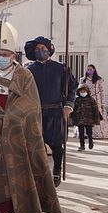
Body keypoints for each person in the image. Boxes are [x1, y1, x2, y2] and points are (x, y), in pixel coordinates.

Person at [0, 23, 60, 213]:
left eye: (5, 53)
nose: (1, 57)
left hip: (18, 134)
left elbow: (31, 105)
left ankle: (25, 207)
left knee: (21, 169)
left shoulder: (25, 76)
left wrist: (10, 119)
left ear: (13, 56)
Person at [24, 36, 78, 187]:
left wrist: (68, 105)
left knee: (56, 145)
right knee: (35, 145)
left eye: (43, 48)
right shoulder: (28, 70)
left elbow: (72, 87)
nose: (40, 51)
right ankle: (38, 174)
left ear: (49, 49)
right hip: (35, 113)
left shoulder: (61, 68)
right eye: (37, 49)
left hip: (55, 112)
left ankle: (56, 171)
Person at [84, 64, 108, 140]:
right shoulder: (83, 79)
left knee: (98, 116)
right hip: (87, 100)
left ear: (94, 70)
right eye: (88, 69)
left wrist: (102, 103)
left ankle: (101, 133)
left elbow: (102, 91)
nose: (89, 71)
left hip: (96, 100)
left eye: (90, 69)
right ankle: (86, 133)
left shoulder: (98, 79)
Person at [72, 85, 101, 151]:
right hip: (80, 120)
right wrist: (74, 120)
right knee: (81, 134)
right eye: (81, 91)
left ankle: (90, 142)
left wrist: (97, 120)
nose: (82, 92)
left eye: (84, 91)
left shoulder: (91, 100)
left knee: (89, 133)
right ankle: (82, 145)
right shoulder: (77, 100)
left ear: (87, 92)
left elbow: (95, 110)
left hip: (89, 120)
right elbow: (74, 110)